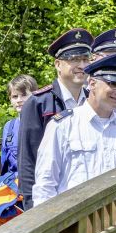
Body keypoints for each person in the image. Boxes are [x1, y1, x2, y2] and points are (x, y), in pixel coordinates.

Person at [32, 54, 116, 205]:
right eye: (113, 84)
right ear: (92, 83)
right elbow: (45, 184)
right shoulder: (63, 125)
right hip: (73, 216)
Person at [18, 28, 94, 208]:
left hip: (88, 197)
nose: (82, 65)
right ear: (58, 64)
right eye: (74, 59)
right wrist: (31, 206)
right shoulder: (38, 103)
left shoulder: (93, 101)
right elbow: (27, 159)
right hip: (51, 200)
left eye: (85, 59)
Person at [0, 74, 38, 175]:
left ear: (36, 96)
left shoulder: (44, 123)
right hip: (13, 181)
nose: (19, 100)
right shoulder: (9, 127)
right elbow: (4, 165)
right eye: (15, 96)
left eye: (24, 95)